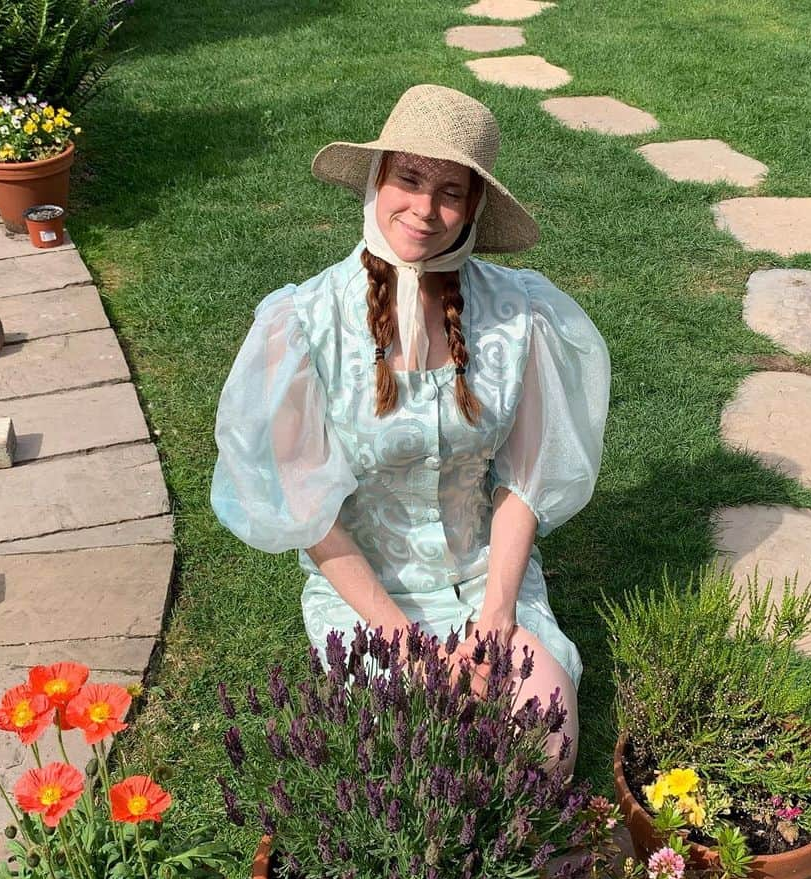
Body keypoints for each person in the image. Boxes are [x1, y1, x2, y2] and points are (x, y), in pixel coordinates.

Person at [211, 84, 610, 768]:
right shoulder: (301, 325)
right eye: (410, 179)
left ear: (474, 207)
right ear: (378, 179)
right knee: (426, 768)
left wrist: (495, 619)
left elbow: (525, 484)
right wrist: (407, 648)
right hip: (373, 598)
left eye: (450, 191)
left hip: (487, 581)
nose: (425, 209)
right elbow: (311, 518)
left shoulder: (520, 315)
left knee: (546, 749)